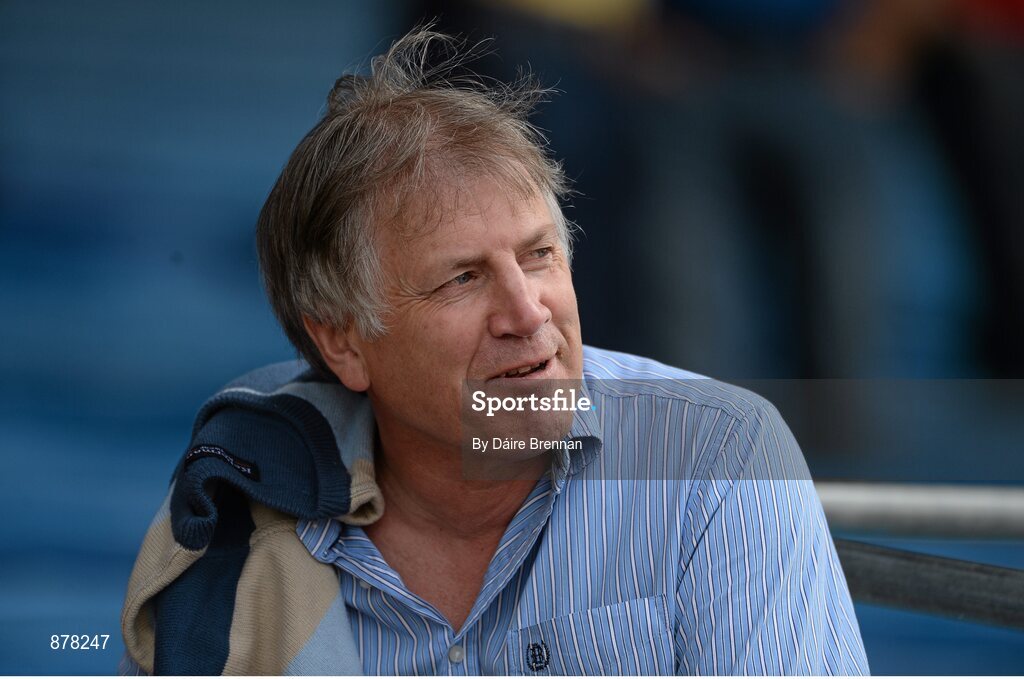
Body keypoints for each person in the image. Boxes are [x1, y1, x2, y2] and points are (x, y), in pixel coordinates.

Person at [120, 26, 869, 676]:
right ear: (342, 340)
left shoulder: (716, 458)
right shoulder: (238, 489)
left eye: (540, 256)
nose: (526, 312)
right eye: (462, 278)